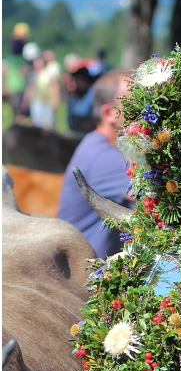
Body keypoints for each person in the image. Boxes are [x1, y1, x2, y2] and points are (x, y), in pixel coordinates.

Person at [58, 69, 133, 259]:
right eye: (134, 105)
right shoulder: (102, 157)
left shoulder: (98, 145)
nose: (147, 113)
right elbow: (162, 196)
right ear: (109, 113)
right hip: (86, 280)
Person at [23, 54, 60, 130]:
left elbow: (54, 86)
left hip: (47, 101)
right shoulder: (32, 74)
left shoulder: (48, 73)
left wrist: (55, 99)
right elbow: (30, 88)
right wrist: (25, 101)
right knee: (37, 123)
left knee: (48, 124)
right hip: (36, 101)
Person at [67, 66, 97, 133]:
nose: (78, 83)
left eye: (81, 80)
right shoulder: (73, 98)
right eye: (77, 80)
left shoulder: (93, 97)